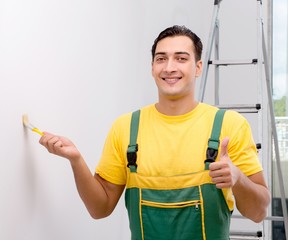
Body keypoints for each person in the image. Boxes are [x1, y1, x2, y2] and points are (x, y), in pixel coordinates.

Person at [39, 25, 270, 240]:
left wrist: (238, 178)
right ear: (152, 67)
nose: (169, 67)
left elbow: (258, 213)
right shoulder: (127, 128)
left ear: (198, 67)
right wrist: (76, 160)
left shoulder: (230, 126)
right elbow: (100, 208)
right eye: (161, 59)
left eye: (181, 58)